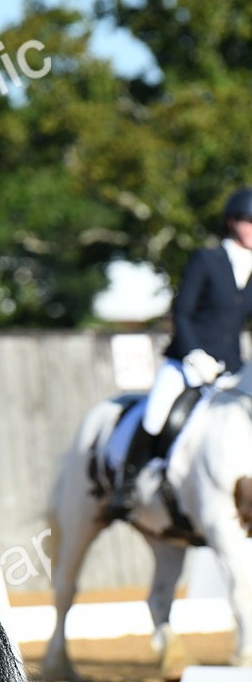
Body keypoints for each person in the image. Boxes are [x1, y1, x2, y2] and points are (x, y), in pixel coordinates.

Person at [109, 185, 252, 517]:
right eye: (248, 221)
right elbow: (183, 312)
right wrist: (193, 354)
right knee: (158, 414)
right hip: (187, 362)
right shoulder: (208, 259)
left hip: (232, 368)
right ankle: (126, 486)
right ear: (232, 223)